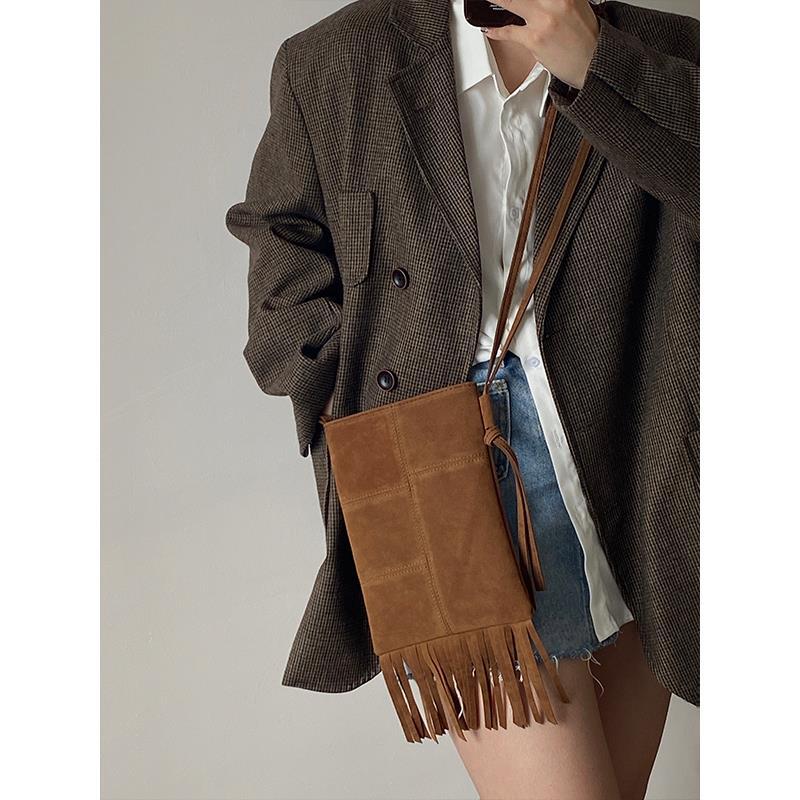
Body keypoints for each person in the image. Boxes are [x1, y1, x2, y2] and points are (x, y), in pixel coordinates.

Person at [225, 1, 699, 798]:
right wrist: (350, 410)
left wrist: (599, 67)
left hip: (640, 454)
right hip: (442, 472)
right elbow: (281, 249)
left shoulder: (668, 50)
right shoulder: (336, 63)